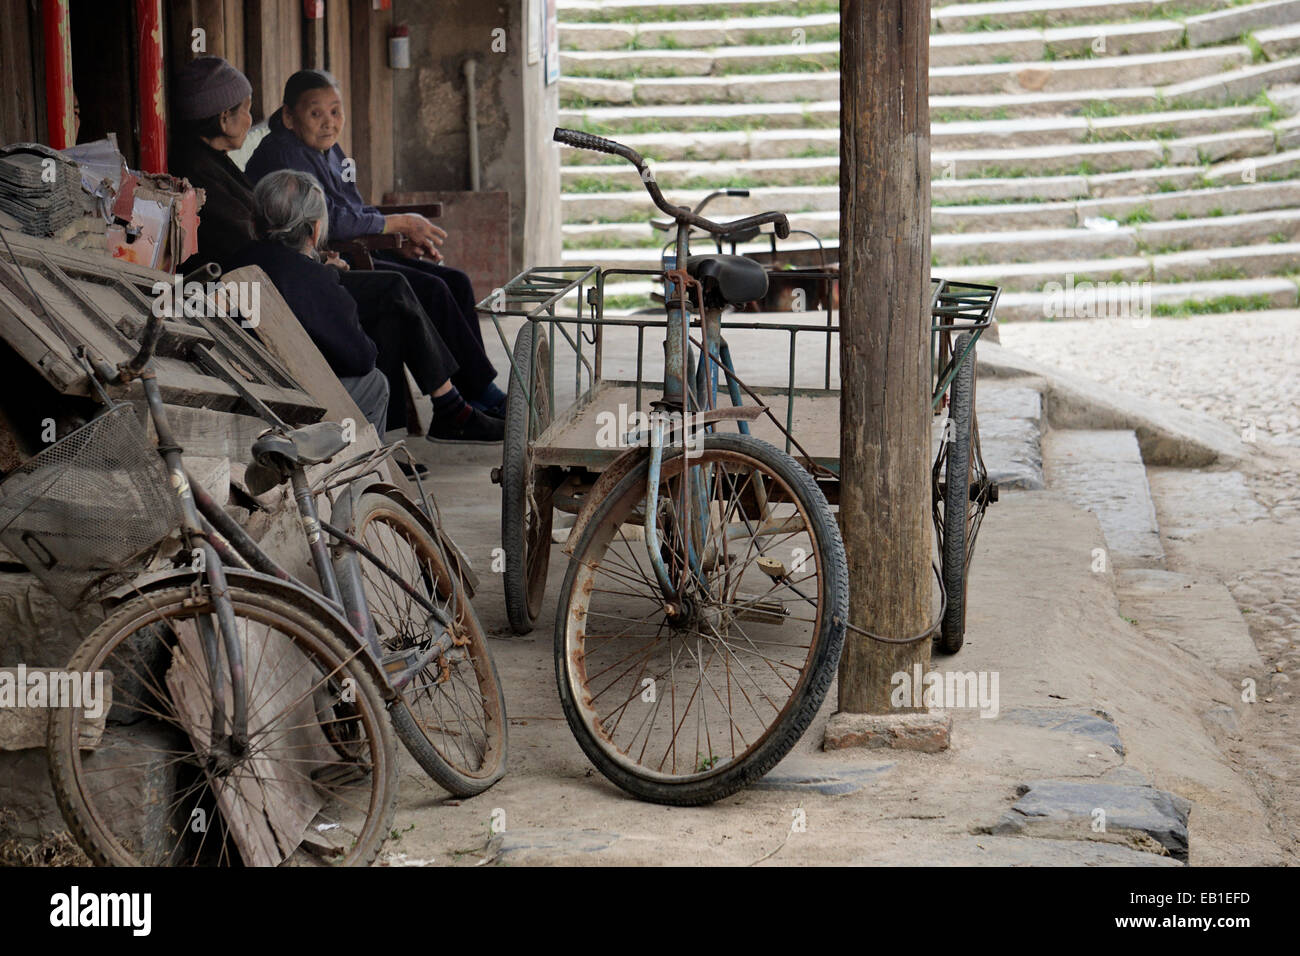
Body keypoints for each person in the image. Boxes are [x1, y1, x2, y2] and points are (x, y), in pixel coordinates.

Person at [170, 58, 501, 442]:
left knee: (411, 299)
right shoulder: (205, 169)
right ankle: (452, 407)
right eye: (245, 110)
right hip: (268, 288)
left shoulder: (221, 161)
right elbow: (256, 241)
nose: (251, 119)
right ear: (223, 117)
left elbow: (343, 212)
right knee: (395, 290)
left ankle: (409, 429)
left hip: (288, 268)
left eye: (334, 111)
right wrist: (315, 258)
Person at [244, 69, 507, 418]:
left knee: (454, 281)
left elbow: (353, 207)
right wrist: (396, 223)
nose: (328, 123)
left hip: (357, 245)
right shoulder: (283, 154)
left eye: (335, 111)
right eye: (315, 113)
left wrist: (393, 240)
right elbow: (330, 221)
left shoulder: (329, 149)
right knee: (428, 290)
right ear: (290, 117)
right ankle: (465, 399)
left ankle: (475, 390)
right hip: (321, 259)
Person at [227, 170, 504, 444]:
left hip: (244, 387)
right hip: (290, 403)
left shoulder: (236, 261)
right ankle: (372, 458)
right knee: (375, 381)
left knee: (398, 300)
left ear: (254, 224)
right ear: (315, 231)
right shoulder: (315, 279)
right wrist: (331, 282)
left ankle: (446, 411)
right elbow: (360, 357)